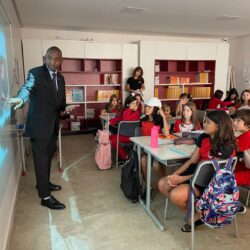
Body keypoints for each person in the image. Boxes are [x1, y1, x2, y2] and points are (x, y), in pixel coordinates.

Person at [5, 46, 73, 210]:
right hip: (38, 126)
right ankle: (45, 197)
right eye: (49, 57)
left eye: (56, 58)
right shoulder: (35, 73)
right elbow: (27, 87)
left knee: (47, 158)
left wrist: (65, 108)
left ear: (61, 61)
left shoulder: (61, 78)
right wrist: (21, 98)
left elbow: (59, 102)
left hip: (52, 126)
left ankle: (44, 183)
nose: (51, 61)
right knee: (40, 161)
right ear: (45, 58)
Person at [158, 110, 237, 232]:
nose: (204, 124)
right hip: (194, 173)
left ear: (218, 126)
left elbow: (208, 172)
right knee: (163, 184)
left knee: (175, 195)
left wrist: (182, 179)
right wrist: (175, 174)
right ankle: (197, 213)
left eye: (208, 122)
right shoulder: (203, 137)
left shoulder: (226, 146)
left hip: (210, 183)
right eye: (204, 121)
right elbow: (192, 161)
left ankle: (198, 215)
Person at [140, 97, 170, 200]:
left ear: (156, 109)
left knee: (156, 164)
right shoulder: (142, 120)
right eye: (146, 106)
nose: (146, 108)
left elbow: (166, 133)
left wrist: (164, 117)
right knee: (143, 160)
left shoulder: (160, 121)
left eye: (149, 107)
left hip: (158, 151)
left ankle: (166, 184)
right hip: (146, 150)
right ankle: (149, 187)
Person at [110, 95, 140, 166]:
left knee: (113, 140)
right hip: (124, 135)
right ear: (127, 104)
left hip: (131, 136)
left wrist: (130, 109)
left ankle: (125, 157)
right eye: (132, 103)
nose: (134, 105)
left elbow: (126, 119)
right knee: (110, 138)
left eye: (135, 103)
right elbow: (119, 118)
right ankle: (121, 157)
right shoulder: (125, 111)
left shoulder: (136, 113)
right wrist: (110, 121)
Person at [233, 110, 250, 213]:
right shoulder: (244, 134)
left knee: (225, 179)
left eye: (238, 121)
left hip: (248, 171)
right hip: (244, 166)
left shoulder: (247, 136)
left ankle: (234, 204)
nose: (234, 122)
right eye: (234, 119)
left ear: (247, 125)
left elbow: (231, 150)